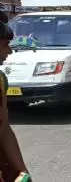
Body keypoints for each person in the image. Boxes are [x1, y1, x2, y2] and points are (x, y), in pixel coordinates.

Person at [0, 21, 31, 182]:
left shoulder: (1, 80)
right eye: (5, 45)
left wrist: (22, 171)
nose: (10, 51)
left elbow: (4, 127)